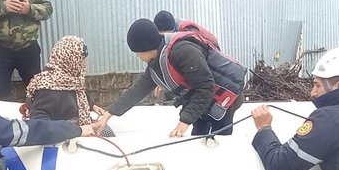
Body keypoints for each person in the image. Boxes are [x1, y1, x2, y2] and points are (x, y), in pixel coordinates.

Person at [93, 18, 245, 137]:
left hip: (224, 100)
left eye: (137, 53)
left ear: (145, 48)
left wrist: (184, 121)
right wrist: (108, 114)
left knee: (217, 142)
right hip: (204, 104)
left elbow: (206, 87)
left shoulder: (182, 52)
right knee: (198, 138)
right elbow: (137, 91)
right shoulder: (157, 62)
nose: (137, 57)